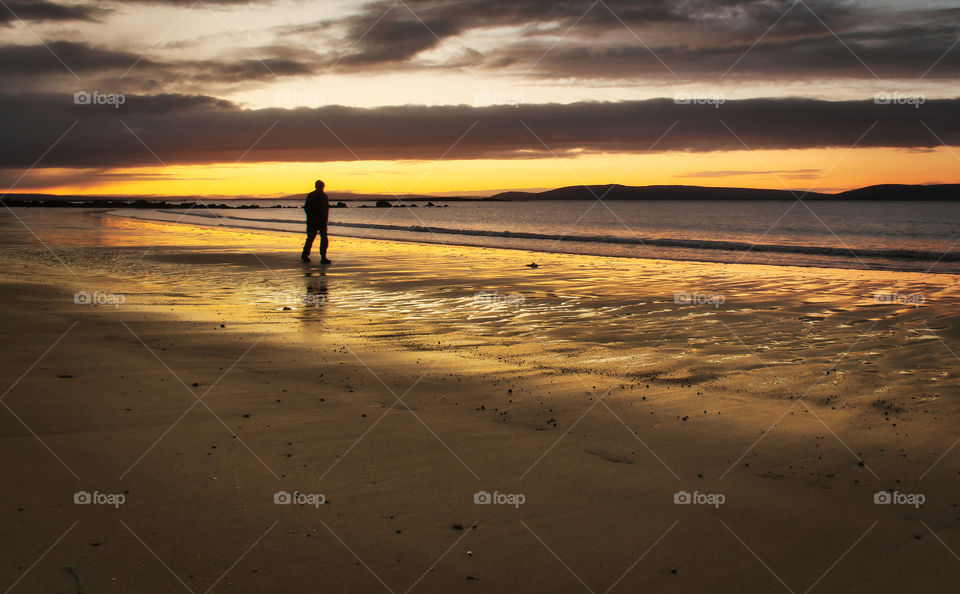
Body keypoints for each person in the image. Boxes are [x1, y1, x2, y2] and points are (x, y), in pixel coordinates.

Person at [301, 179, 331, 264]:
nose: (321, 188)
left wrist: (325, 219)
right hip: (313, 221)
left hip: (322, 221)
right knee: (311, 238)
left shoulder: (324, 196)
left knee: (324, 238)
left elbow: (326, 208)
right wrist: (311, 217)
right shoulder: (312, 195)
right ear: (316, 186)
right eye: (320, 186)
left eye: (322, 186)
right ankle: (305, 255)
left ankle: (323, 257)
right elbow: (307, 208)